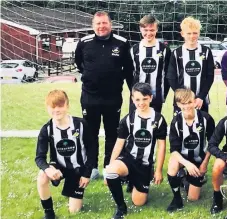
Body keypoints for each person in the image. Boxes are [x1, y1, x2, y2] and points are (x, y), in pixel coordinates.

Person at [74, 11, 134, 179]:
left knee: (112, 134)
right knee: (90, 133)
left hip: (112, 97)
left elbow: (129, 70)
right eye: (98, 24)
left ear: (110, 24)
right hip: (89, 97)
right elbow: (79, 63)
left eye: (104, 23)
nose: (101, 26)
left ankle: (110, 166)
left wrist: (133, 93)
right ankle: (91, 167)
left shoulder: (122, 43)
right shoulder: (84, 42)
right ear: (93, 25)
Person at [103, 83, 168, 219]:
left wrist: (158, 170)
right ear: (132, 99)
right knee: (111, 172)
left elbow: (161, 146)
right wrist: (109, 166)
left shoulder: (159, 119)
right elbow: (118, 144)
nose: (141, 103)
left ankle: (136, 180)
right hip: (128, 159)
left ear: (150, 98)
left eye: (144, 99)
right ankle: (121, 208)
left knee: (139, 202)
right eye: (137, 99)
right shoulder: (127, 119)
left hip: (144, 164)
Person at [35, 90, 96, 219]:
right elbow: (39, 157)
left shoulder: (80, 125)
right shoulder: (47, 129)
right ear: (47, 108)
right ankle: (49, 213)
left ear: (67, 106)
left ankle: (72, 190)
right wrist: (47, 169)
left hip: (78, 169)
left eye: (60, 106)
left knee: (74, 211)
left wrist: (86, 174)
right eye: (53, 107)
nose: (56, 110)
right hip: (59, 167)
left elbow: (92, 149)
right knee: (42, 176)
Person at [166, 89, 215, 212]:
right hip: (183, 159)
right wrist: (187, 164)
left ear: (195, 102)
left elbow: (212, 144)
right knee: (172, 164)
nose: (186, 106)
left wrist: (204, 164)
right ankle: (176, 198)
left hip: (199, 159)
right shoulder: (176, 122)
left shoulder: (206, 118)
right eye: (183, 103)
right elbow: (173, 150)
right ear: (178, 104)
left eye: (189, 102)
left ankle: (184, 179)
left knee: (193, 198)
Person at [167, 16, 215, 114]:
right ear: (182, 34)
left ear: (199, 33)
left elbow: (210, 76)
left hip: (200, 101)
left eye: (195, 33)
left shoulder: (206, 51)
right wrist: (183, 98)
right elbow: (171, 78)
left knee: (202, 127)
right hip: (181, 101)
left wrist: (201, 97)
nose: (192, 36)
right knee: (181, 127)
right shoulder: (176, 53)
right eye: (189, 33)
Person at [129, 15, 171, 113]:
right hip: (137, 98)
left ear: (156, 29)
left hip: (156, 97)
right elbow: (129, 74)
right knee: (136, 125)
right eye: (145, 30)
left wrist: (163, 94)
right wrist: (134, 92)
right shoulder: (133, 50)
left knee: (153, 125)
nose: (148, 33)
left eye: (152, 30)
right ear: (140, 29)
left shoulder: (164, 50)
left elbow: (168, 75)